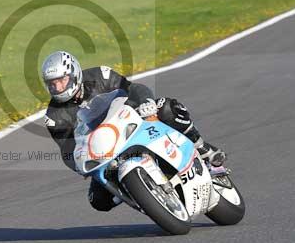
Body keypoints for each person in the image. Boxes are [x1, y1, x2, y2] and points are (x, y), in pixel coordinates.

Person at [41, 50, 227, 212]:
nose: (57, 88)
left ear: (73, 74)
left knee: (168, 108)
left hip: (130, 121)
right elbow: (67, 149)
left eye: (61, 81)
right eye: (51, 84)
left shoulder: (100, 75)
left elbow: (133, 89)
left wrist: (146, 103)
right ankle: (141, 195)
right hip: (104, 150)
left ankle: (203, 149)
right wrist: (79, 166)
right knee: (98, 200)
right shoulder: (53, 116)